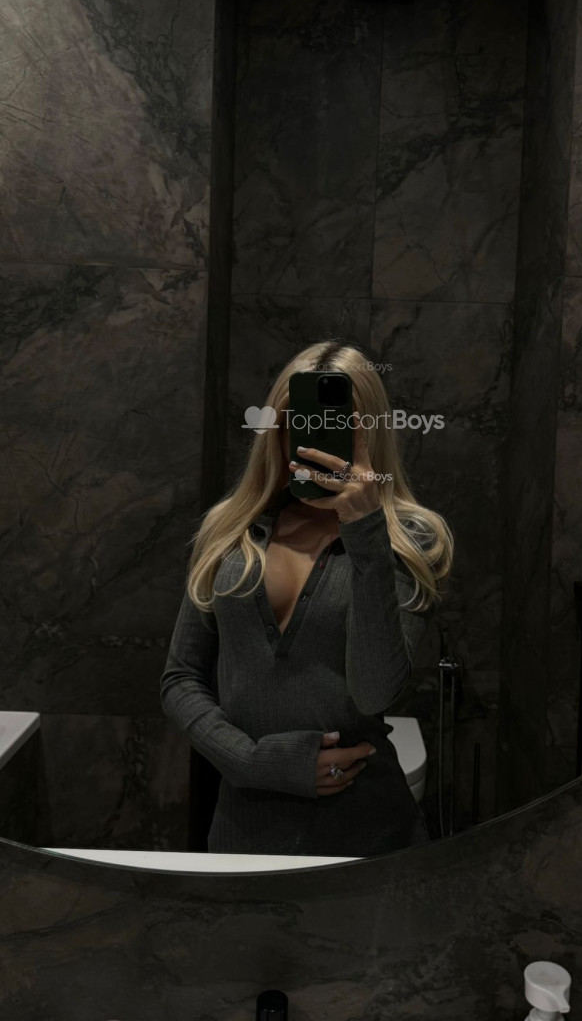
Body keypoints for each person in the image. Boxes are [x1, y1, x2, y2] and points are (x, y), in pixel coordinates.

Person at [160, 340, 453, 857]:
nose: (311, 439)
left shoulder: (412, 540)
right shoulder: (229, 531)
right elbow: (181, 679)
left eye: (332, 425)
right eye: (296, 423)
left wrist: (365, 532)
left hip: (366, 836)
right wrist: (253, 761)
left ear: (367, 434)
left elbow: (375, 692)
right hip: (243, 829)